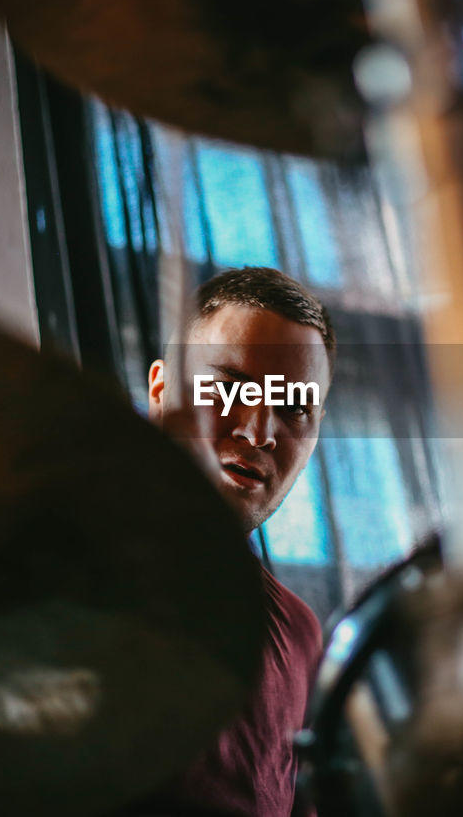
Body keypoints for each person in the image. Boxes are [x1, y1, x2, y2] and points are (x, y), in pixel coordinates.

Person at [137, 266, 334, 817]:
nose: (256, 431)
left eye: (293, 408)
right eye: (229, 387)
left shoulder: (299, 634)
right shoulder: (39, 560)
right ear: (160, 391)